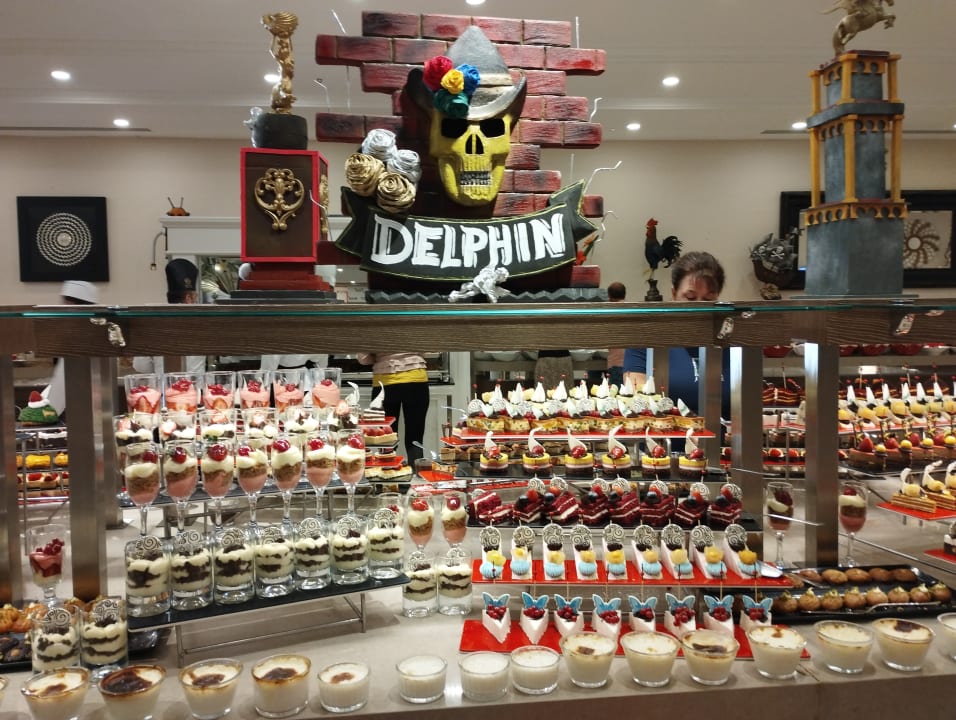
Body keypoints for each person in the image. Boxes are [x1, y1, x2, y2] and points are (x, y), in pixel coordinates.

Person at [623, 252, 730, 417]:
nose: (700, 307)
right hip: (664, 433)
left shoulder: (732, 340)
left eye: (709, 299)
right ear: (674, 294)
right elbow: (637, 401)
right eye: (690, 297)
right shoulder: (646, 337)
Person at [133, 259, 205, 374]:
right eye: (195, 297)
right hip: (195, 384)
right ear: (188, 298)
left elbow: (141, 366)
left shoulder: (152, 322)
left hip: (162, 384)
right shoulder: (201, 324)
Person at [356, 352, 429, 463]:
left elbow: (363, 359)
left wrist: (380, 356)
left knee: (385, 439)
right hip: (416, 379)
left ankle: (387, 470)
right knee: (415, 438)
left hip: (384, 381)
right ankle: (417, 471)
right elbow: (428, 350)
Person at [44, 281, 100, 415]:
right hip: (84, 407)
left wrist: (48, 413)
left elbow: (62, 383)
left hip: (83, 408)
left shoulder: (81, 335)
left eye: (65, 302)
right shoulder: (82, 331)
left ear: (72, 304)